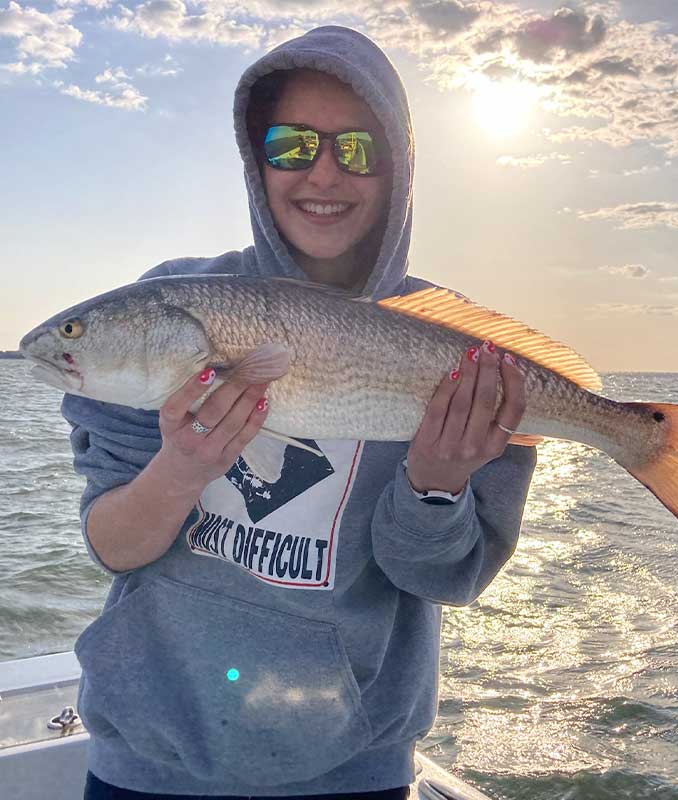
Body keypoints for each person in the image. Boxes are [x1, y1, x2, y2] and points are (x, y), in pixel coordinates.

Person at [62, 25, 537, 800]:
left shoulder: (465, 351)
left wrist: (435, 486)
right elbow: (113, 546)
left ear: (400, 169)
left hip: (356, 770)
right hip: (149, 763)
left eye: (357, 149)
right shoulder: (169, 304)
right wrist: (182, 467)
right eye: (290, 146)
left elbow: (445, 580)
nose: (322, 172)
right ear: (256, 162)